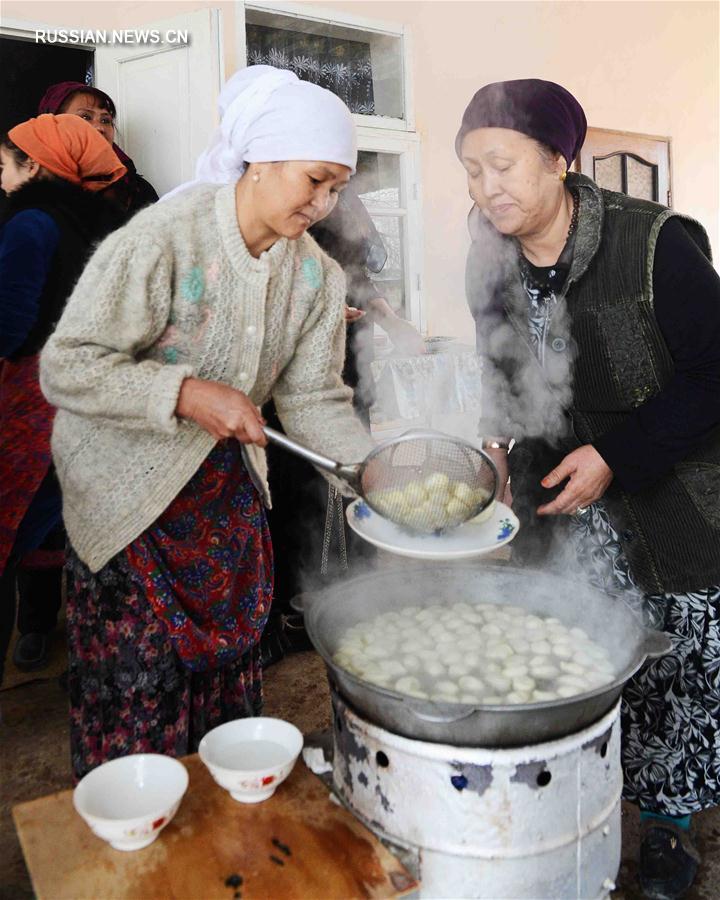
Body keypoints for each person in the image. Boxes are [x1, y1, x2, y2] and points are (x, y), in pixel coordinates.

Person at [39, 65, 373, 781]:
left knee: (227, 698)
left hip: (224, 508)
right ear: (260, 158)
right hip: (130, 503)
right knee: (139, 701)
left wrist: (371, 472)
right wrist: (186, 392)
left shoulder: (315, 277)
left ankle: (219, 844)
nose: (324, 203)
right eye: (314, 180)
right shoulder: (164, 240)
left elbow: (315, 397)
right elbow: (67, 366)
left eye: (338, 187)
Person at [457, 78, 720, 899]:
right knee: (580, 656)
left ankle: (671, 831)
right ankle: (587, 808)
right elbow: (498, 357)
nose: (486, 187)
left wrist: (619, 452)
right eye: (471, 169)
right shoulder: (488, 248)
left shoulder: (655, 245)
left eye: (502, 164)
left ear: (559, 161)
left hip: (673, 492)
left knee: (676, 663)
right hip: (559, 498)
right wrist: (497, 447)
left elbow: (715, 375)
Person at [261, 186, 425, 664]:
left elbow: (359, 280)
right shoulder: (275, 209)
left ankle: (353, 591)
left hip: (348, 366)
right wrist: (322, 312)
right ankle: (288, 610)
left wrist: (393, 324)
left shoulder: (344, 202)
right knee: (292, 489)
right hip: (288, 376)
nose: (331, 187)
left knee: (350, 478)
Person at [0, 114, 127, 682]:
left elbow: (8, 324)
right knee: (80, 538)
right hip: (89, 399)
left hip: (35, 399)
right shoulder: (100, 226)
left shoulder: (31, 223)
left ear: (34, 166)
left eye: (4, 165)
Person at [38, 81, 158, 215]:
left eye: (106, 120)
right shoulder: (34, 184)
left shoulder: (135, 188)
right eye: (85, 117)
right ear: (52, 125)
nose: (99, 128)